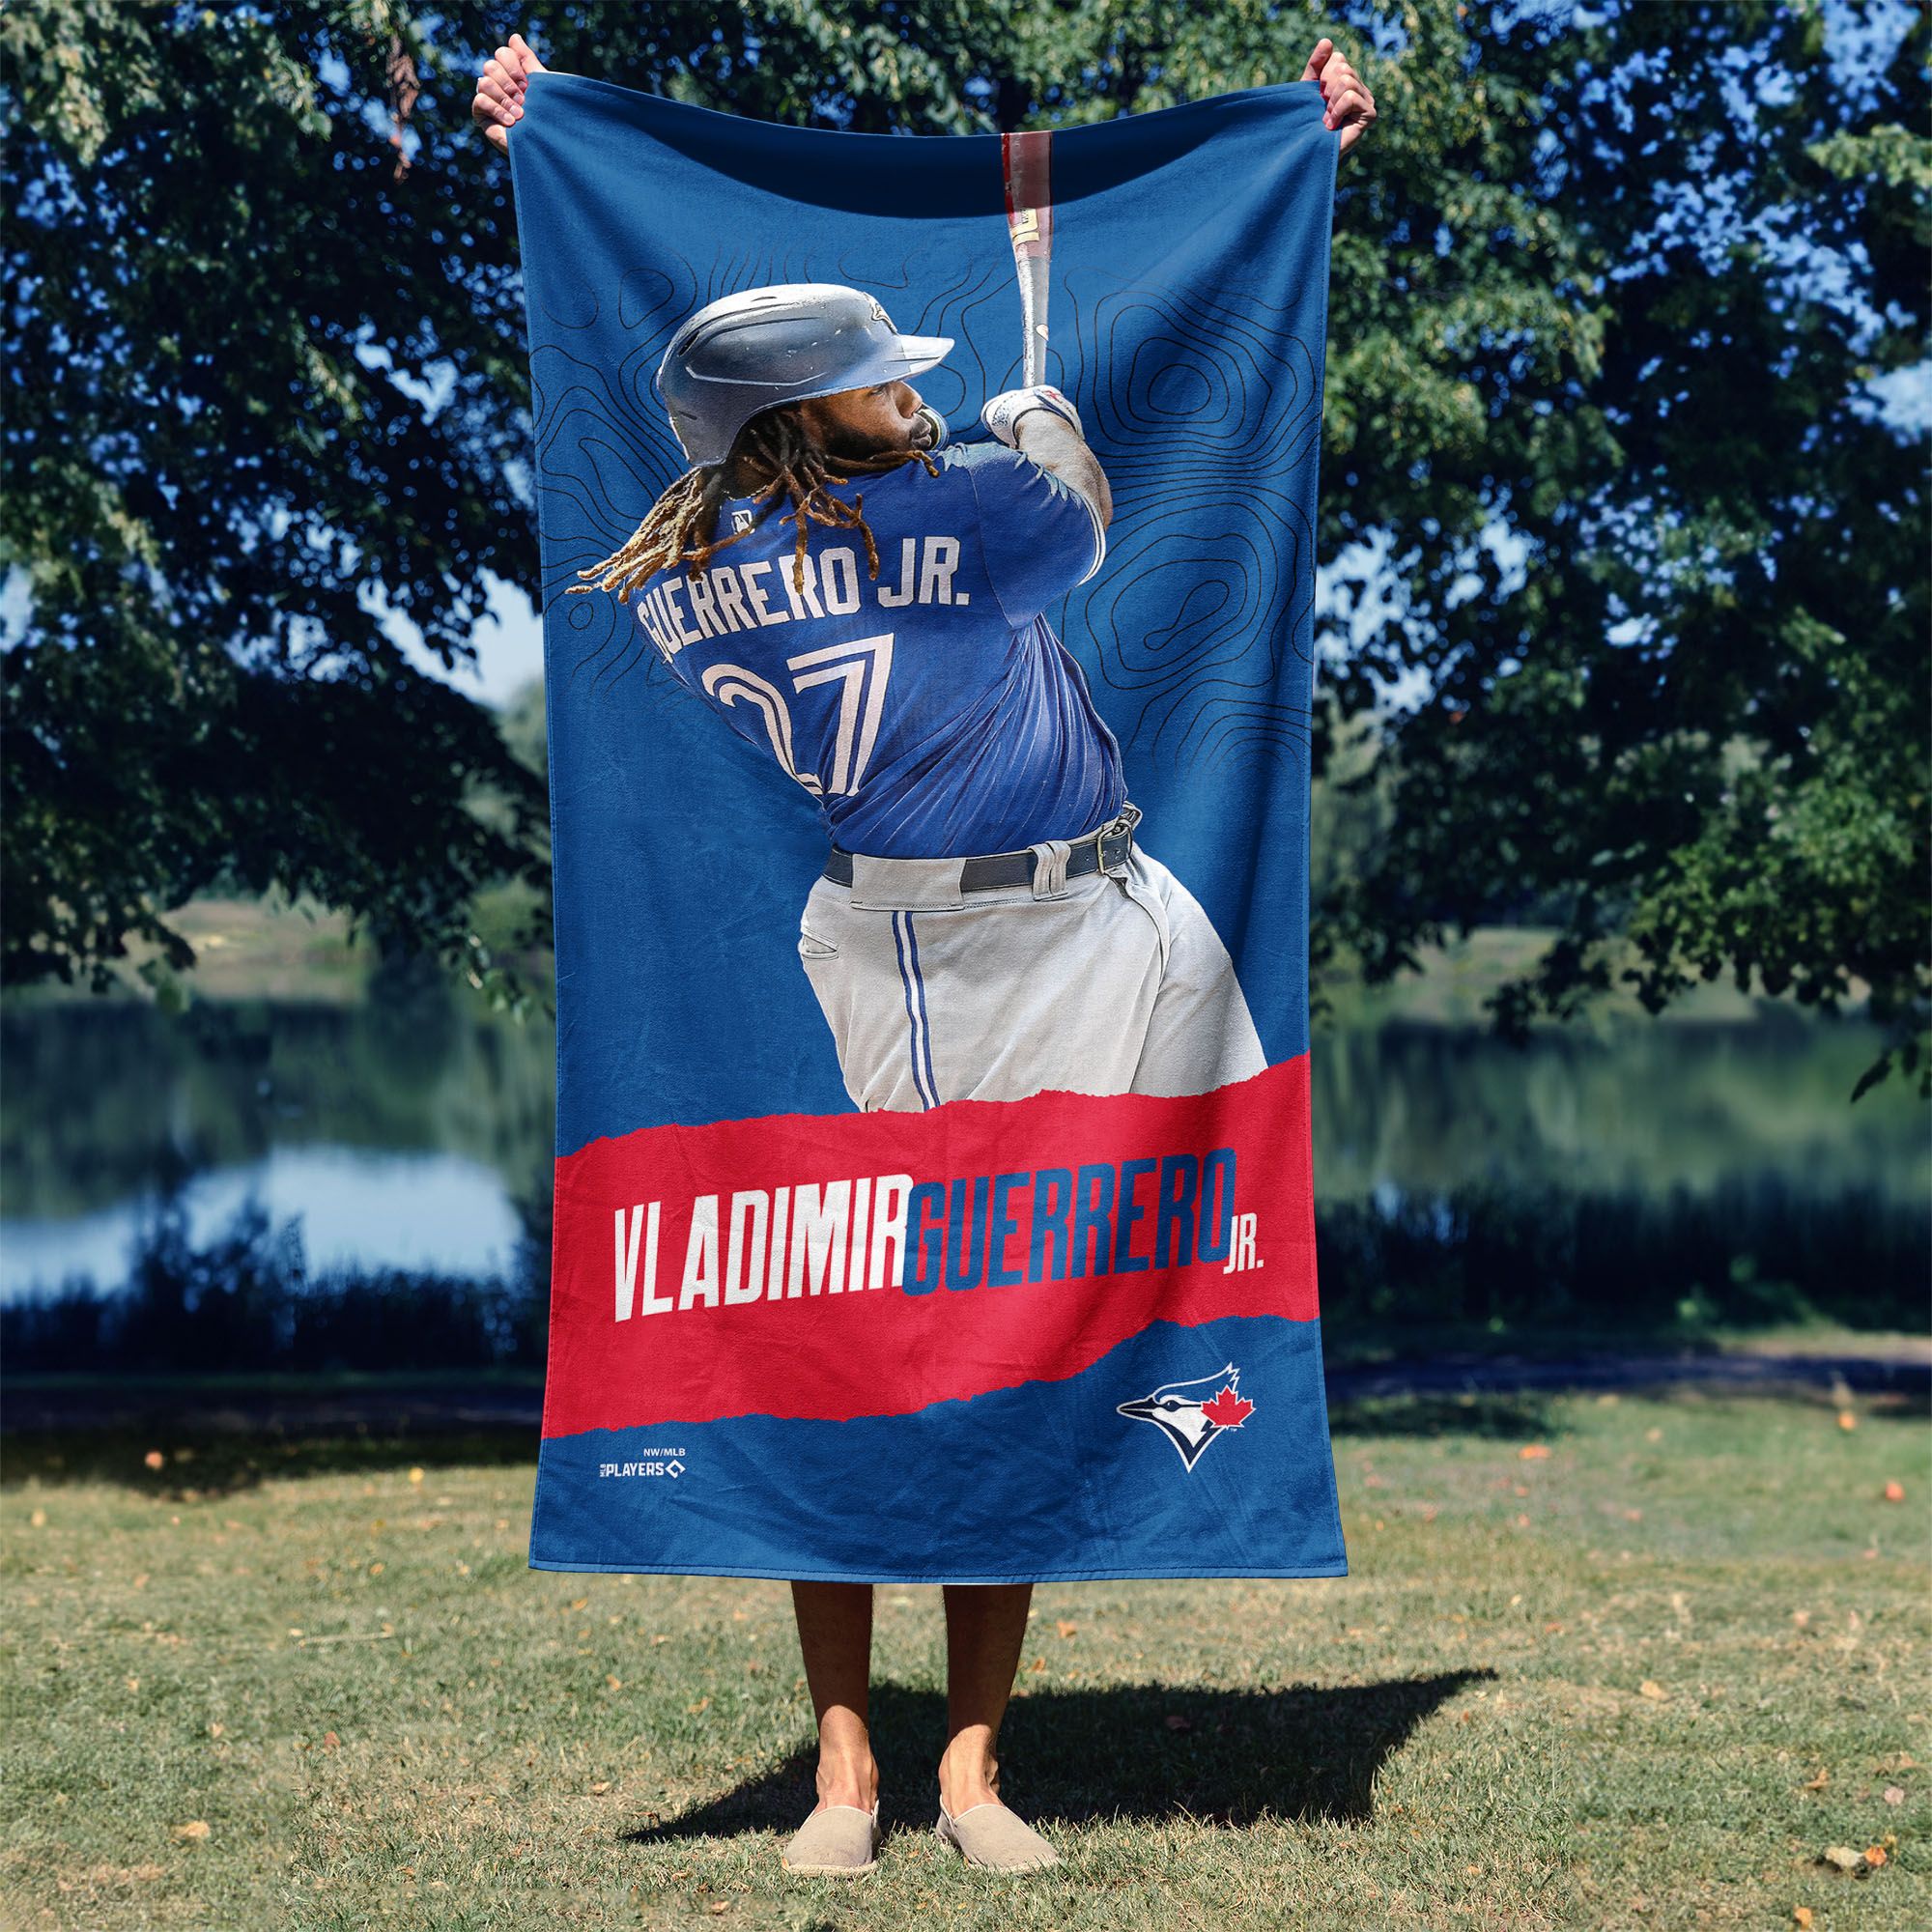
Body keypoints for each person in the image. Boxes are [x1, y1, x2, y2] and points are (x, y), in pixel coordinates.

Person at [474, 27, 1377, 1877]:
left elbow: (921, 538)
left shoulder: (688, 571)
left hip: (1127, 898)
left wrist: (1300, 150)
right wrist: (1049, 445)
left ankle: (968, 1765)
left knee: (1095, 1295)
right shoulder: (962, 505)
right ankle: (858, 1772)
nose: (915, 396)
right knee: (906, 1344)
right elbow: (1065, 517)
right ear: (809, 425)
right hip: (948, 959)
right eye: (881, 387)